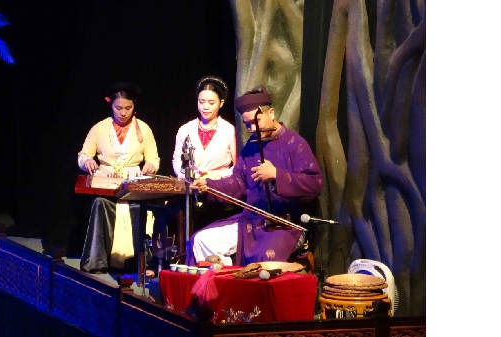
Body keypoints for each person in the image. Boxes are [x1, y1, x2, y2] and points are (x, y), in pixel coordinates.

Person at [189, 85, 323, 266]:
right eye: (247, 124)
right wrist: (209, 185)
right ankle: (226, 276)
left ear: (271, 113)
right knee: (201, 240)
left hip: (285, 226)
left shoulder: (294, 143)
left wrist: (276, 175)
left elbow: (314, 183)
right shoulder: (251, 146)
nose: (252, 128)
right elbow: (237, 183)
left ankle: (232, 270)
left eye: (256, 121)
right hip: (250, 222)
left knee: (265, 259)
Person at [78, 82, 159, 274]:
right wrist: (87, 161)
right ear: (110, 104)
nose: (123, 113)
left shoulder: (144, 129)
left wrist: (151, 166)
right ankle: (97, 261)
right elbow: (83, 154)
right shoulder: (99, 128)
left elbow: (153, 158)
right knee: (100, 204)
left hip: (132, 185)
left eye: (128, 108)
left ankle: (138, 261)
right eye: (118, 108)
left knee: (139, 208)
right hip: (107, 183)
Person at [172, 75, 237, 179]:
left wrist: (214, 175)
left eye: (211, 103)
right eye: (201, 102)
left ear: (221, 103)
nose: (205, 107)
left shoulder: (229, 130)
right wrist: (184, 174)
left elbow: (237, 166)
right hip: (191, 184)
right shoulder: (185, 129)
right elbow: (177, 160)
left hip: (218, 185)